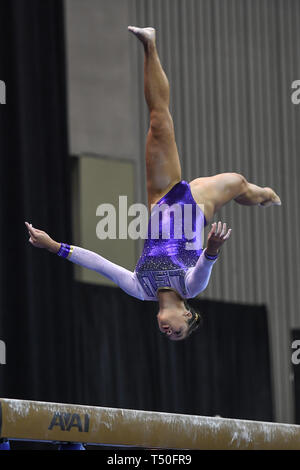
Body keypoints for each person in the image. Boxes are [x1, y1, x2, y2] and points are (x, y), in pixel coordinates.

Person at [25, 26, 281, 341]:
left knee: (157, 120)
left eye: (169, 336)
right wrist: (212, 250)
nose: (169, 332)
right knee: (240, 184)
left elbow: (101, 265)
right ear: (187, 313)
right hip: (195, 207)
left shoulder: (140, 289)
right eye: (179, 332)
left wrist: (53, 246)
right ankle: (264, 194)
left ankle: (149, 44)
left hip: (162, 198)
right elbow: (204, 265)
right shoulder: (190, 286)